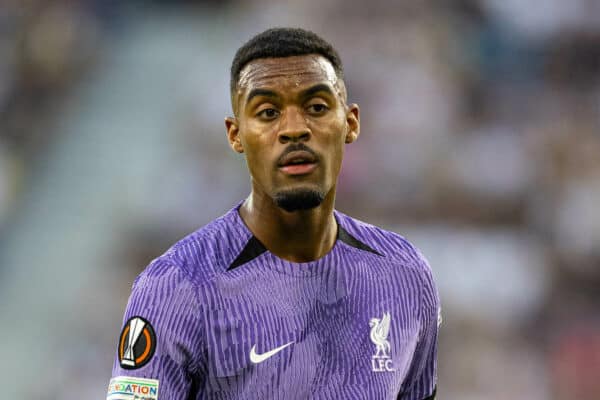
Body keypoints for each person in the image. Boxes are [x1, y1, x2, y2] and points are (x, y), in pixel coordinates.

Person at [106, 27, 440, 400]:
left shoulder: (405, 274)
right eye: (268, 112)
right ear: (235, 134)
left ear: (350, 123)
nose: (295, 129)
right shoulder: (175, 286)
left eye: (316, 107)